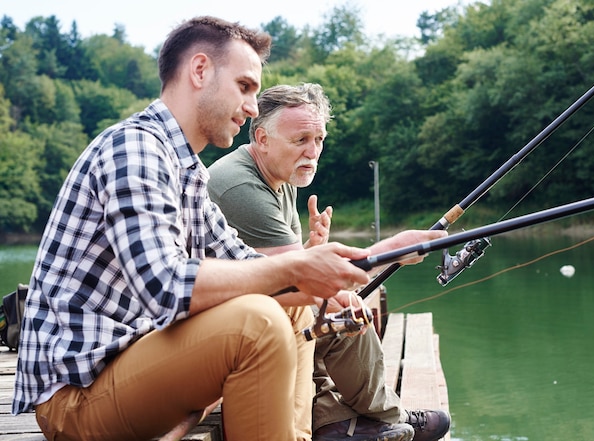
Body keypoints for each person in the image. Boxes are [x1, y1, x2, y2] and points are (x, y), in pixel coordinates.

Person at [12, 17, 379, 441]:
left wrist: (366, 262)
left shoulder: (187, 171)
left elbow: (247, 264)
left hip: (134, 366)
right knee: (257, 320)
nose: (253, 108)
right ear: (200, 71)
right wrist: (297, 269)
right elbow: (166, 285)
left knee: (287, 306)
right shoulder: (134, 148)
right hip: (77, 397)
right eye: (245, 87)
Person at [207, 83, 451, 441]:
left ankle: (340, 424)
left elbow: (275, 268)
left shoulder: (280, 175)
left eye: (319, 139)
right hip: (224, 336)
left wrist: (310, 248)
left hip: (254, 314)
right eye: (301, 140)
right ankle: (388, 418)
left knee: (333, 309)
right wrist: (389, 250)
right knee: (345, 315)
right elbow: (299, 281)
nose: (313, 152)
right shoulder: (239, 186)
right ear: (262, 138)